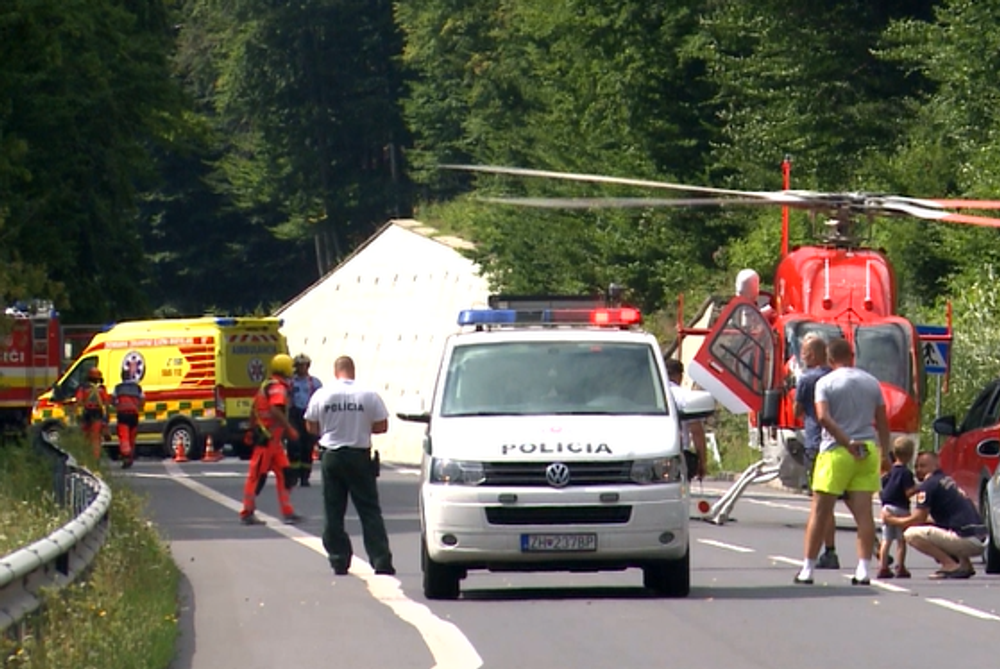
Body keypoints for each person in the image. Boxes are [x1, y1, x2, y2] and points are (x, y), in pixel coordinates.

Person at [795, 337, 890, 586]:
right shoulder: (871, 382)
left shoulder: (825, 382)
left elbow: (823, 417)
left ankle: (807, 569)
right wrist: (885, 453)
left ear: (829, 358)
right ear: (852, 355)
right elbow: (882, 421)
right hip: (867, 450)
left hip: (836, 451)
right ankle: (863, 570)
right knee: (864, 514)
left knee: (820, 511)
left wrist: (846, 442)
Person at [305, 355, 394, 576]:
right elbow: (382, 426)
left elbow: (310, 425)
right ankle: (381, 560)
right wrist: (360, 427)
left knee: (333, 511)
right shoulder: (368, 394)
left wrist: (329, 429)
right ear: (353, 371)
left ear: (336, 372)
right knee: (369, 510)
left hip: (332, 456)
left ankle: (338, 559)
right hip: (359, 456)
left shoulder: (322, 394)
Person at [882, 451, 985, 579]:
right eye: (916, 466)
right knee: (942, 526)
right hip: (979, 538)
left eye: (923, 466)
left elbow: (918, 518)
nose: (918, 470)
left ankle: (949, 564)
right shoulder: (946, 480)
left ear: (936, 466)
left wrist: (892, 520)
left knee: (911, 534)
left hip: (967, 541)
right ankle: (964, 565)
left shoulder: (929, 485)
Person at [239, 353, 303, 526]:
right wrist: (289, 429)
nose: (292, 371)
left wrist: (251, 429)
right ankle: (247, 512)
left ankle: (288, 512)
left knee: (285, 474)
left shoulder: (266, 385)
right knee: (256, 477)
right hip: (268, 441)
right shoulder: (278, 388)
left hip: (273, 442)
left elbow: (253, 409)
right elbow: (275, 410)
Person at [793, 334, 839, 569]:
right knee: (855, 502)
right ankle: (876, 548)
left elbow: (797, 411)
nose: (802, 356)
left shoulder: (807, 378)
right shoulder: (837, 377)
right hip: (842, 442)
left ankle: (828, 552)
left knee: (822, 502)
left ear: (811, 355)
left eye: (803, 352)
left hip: (816, 444)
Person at [877, 436, 917, 579]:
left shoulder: (889, 472)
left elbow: (882, 490)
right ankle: (900, 566)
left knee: (886, 540)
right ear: (910, 455)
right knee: (901, 540)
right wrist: (919, 488)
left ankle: (883, 566)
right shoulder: (906, 473)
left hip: (887, 508)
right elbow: (908, 492)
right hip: (901, 508)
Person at [665, 358, 707, 481]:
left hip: (653, 455)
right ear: (680, 376)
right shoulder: (684, 397)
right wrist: (702, 462)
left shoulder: (650, 395)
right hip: (680, 455)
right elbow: (696, 432)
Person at [288, 353, 323, 487]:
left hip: (309, 414)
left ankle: (305, 476)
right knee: (294, 444)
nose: (301, 368)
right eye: (299, 365)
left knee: (307, 446)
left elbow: (321, 400)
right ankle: (293, 476)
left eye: (304, 365)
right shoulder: (290, 382)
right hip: (294, 415)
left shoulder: (315, 383)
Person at [74, 367, 110, 459]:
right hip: (97, 414)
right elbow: (106, 403)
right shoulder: (102, 389)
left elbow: (78, 402)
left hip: (86, 414)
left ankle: (85, 457)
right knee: (96, 438)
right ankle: (95, 458)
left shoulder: (83, 388)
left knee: (85, 436)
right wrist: (106, 419)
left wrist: (78, 415)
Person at [112, 368, 145, 470]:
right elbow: (142, 399)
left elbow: (113, 400)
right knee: (132, 437)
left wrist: (117, 406)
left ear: (122, 377)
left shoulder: (118, 388)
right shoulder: (137, 387)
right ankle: (130, 458)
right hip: (134, 415)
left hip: (122, 415)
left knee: (124, 437)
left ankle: (126, 456)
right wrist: (137, 407)